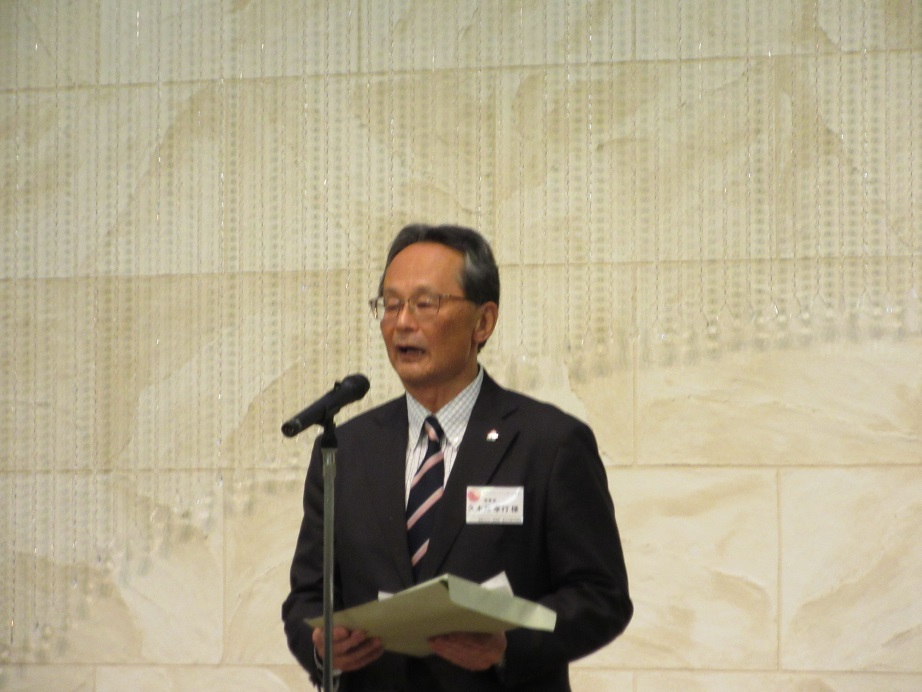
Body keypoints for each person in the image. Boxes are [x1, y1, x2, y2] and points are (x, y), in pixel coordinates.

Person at [282, 224, 632, 690]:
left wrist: (509, 645)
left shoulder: (549, 444)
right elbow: (307, 597)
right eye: (390, 305)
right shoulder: (345, 450)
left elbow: (601, 597)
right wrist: (322, 647)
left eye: (425, 303)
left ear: (483, 322)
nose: (402, 323)